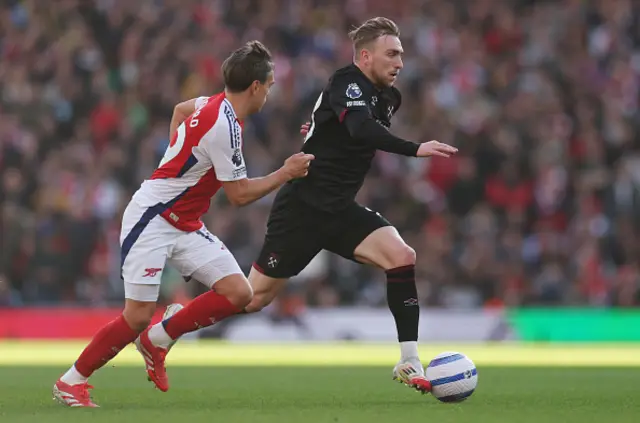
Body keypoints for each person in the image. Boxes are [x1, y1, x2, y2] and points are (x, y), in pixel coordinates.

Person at [52, 41, 314, 407]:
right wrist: (285, 172)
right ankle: (70, 381)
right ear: (255, 86)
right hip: (153, 218)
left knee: (240, 293)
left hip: (185, 221)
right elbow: (238, 196)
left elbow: (179, 110)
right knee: (137, 315)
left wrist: (175, 158)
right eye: (269, 85)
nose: (269, 93)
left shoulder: (213, 104)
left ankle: (158, 340)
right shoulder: (223, 125)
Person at [247, 17, 457, 394]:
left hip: (339, 208)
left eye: (402, 55)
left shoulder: (390, 98)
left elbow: (333, 125)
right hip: (304, 207)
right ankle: (171, 326)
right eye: (391, 54)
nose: (400, 63)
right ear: (365, 56)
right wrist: (414, 148)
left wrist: (315, 129)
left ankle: (409, 361)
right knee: (252, 298)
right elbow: (359, 128)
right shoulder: (346, 80)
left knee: (402, 255)